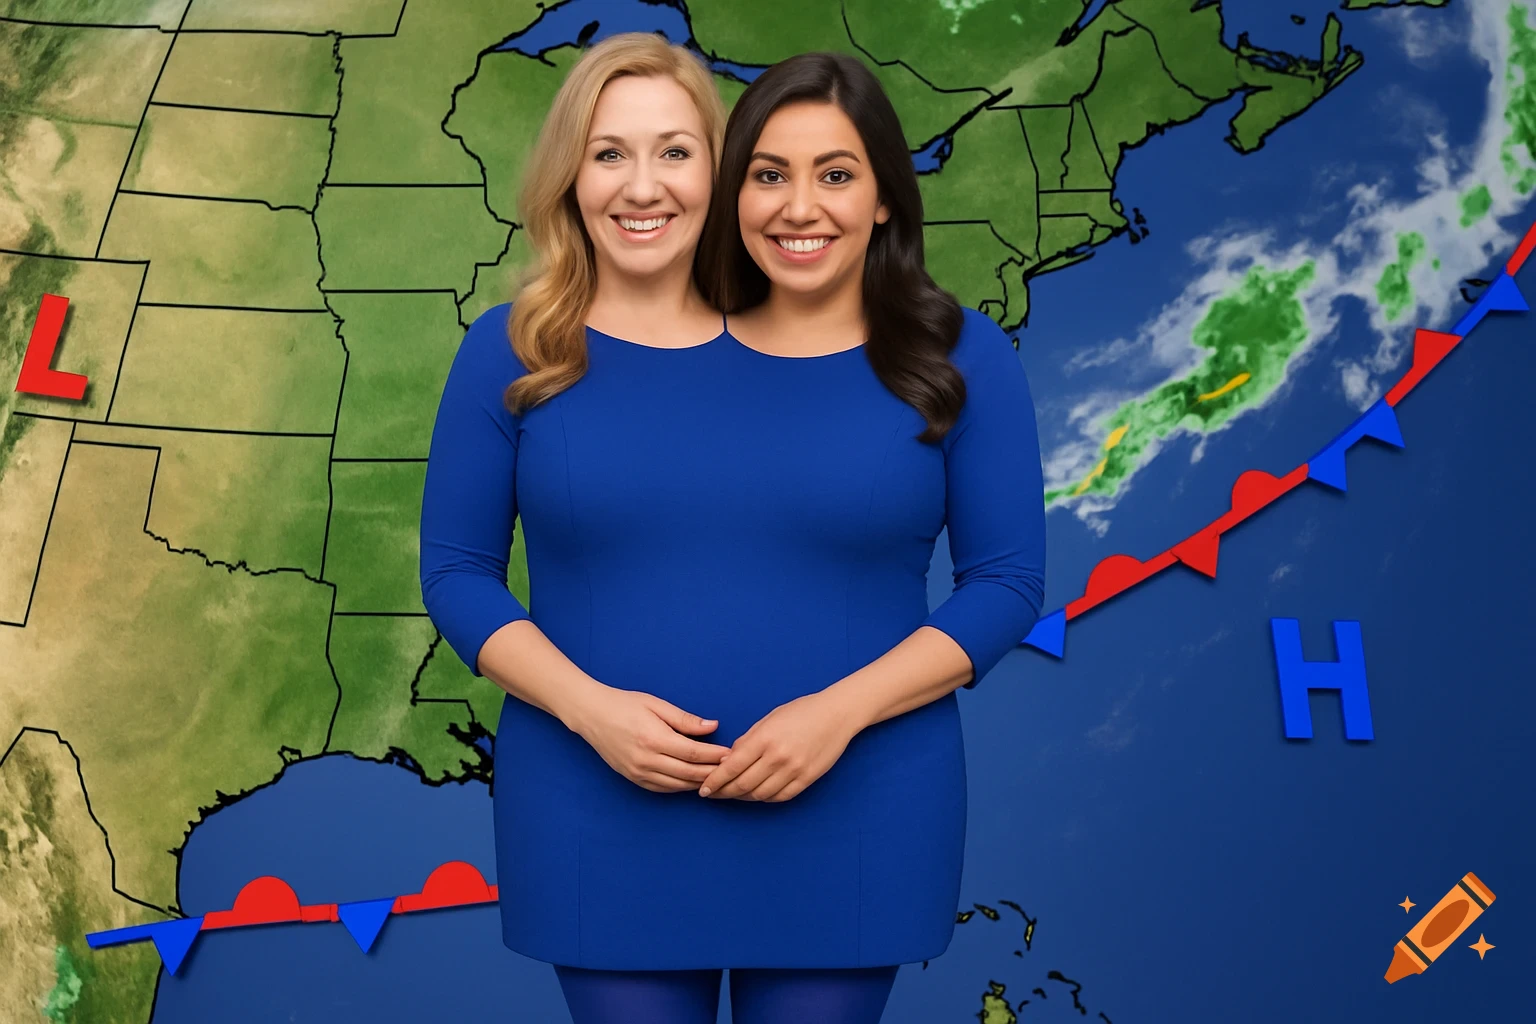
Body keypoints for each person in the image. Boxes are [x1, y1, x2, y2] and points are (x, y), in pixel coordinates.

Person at [419, 38, 1046, 1024]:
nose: (643, 184)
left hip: (855, 811)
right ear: (567, 175)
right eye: (608, 152)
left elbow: (1006, 584)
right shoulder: (512, 352)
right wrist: (591, 711)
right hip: (596, 808)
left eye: (675, 151)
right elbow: (457, 572)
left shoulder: (940, 354)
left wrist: (837, 714)